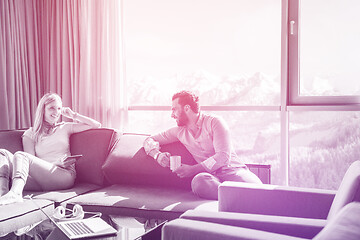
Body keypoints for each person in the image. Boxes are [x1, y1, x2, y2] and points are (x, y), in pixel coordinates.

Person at [143, 90, 262, 200]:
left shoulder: (214, 122)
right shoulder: (178, 132)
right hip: (211, 179)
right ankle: (237, 199)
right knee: (198, 182)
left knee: (258, 191)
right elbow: (149, 140)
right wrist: (157, 156)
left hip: (233, 171)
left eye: (174, 109)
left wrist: (192, 169)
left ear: (187, 108)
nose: (172, 115)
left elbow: (223, 157)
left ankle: (234, 198)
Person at [0, 93, 101, 205]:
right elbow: (29, 162)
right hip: (40, 179)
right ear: (43, 110)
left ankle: (16, 194)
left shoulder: (65, 127)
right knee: (2, 153)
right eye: (52, 108)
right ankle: (3, 194)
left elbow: (96, 125)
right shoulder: (31, 133)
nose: (56, 112)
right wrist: (54, 163)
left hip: (63, 175)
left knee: (20, 155)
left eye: (58, 108)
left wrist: (73, 115)